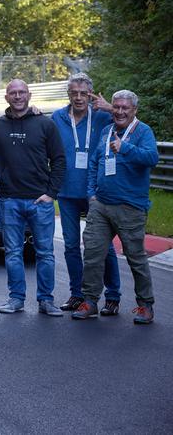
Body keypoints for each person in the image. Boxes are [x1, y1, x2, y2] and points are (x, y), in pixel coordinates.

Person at [74, 90, 159, 325]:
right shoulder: (106, 131)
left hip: (130, 206)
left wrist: (125, 148)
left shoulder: (143, 131)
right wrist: (91, 193)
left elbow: (152, 157)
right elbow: (94, 163)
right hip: (101, 204)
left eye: (125, 108)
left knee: (135, 258)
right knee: (92, 253)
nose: (120, 111)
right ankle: (90, 301)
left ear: (134, 111)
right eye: (117, 107)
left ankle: (145, 305)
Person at [0, 79, 66, 316]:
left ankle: (46, 300)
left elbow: (59, 160)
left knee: (45, 253)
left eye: (22, 92)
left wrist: (51, 193)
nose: (18, 96)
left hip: (40, 200)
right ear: (6, 97)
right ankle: (16, 299)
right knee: (12, 253)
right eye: (13, 93)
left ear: (29, 95)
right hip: (9, 199)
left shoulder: (44, 124)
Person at [50, 73, 121, 313]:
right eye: (74, 93)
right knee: (71, 245)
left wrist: (110, 107)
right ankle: (77, 294)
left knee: (104, 246)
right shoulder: (57, 117)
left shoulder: (102, 116)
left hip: (96, 193)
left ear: (90, 94)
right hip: (67, 192)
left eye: (83, 93)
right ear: (68, 94)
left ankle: (113, 295)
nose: (78, 97)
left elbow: (130, 121)